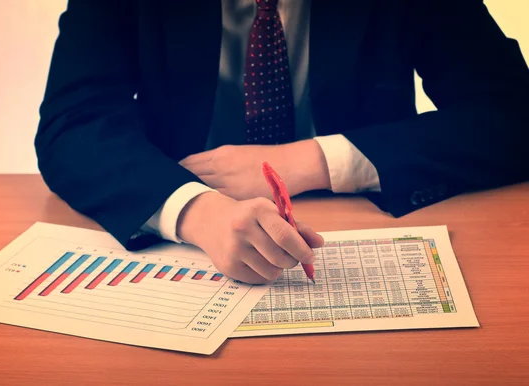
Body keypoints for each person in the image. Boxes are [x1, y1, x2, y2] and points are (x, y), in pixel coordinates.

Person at [35, 0, 529, 284]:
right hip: (182, 245)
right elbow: (74, 122)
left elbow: (513, 116)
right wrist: (197, 212)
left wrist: (314, 161)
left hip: (355, 227)